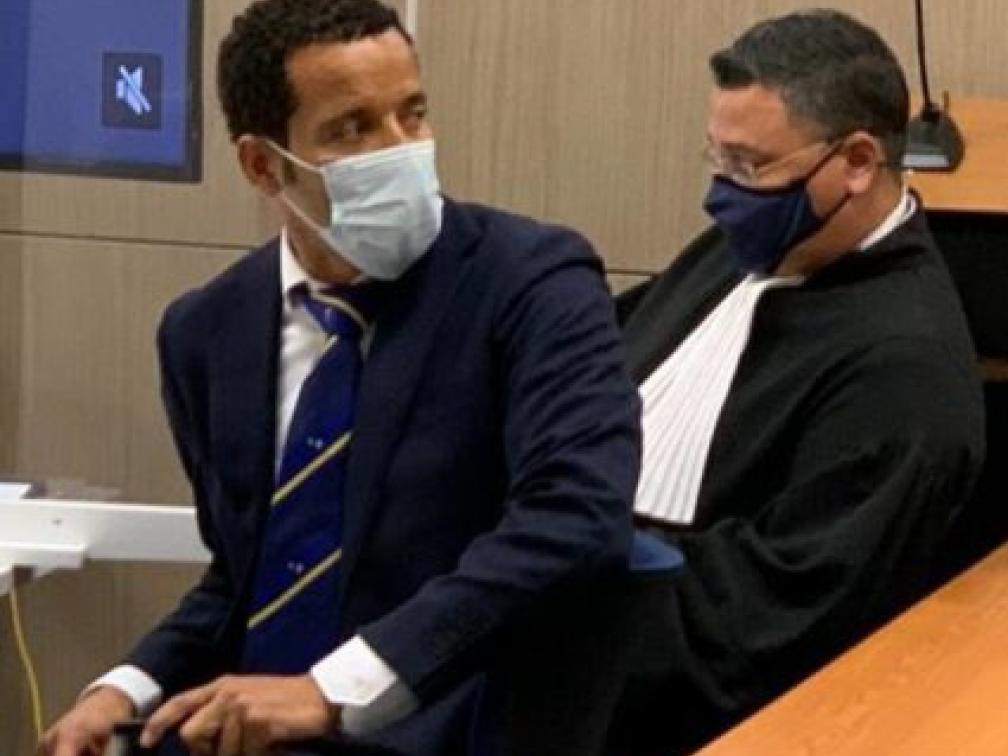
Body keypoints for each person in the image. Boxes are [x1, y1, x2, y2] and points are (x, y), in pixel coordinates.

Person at [39, 1, 640, 754]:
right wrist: (126, 686)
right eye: (352, 129)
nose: (401, 150)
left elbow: (575, 521)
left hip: (445, 722)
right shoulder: (205, 331)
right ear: (263, 165)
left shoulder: (531, 282)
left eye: (411, 114)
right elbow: (246, 578)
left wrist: (330, 691)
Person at [513, 10, 985, 756]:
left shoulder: (904, 374)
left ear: (857, 161)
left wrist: (526, 574)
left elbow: (765, 618)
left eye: (748, 167)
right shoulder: (757, 241)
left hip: (643, 696)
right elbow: (596, 355)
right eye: (719, 158)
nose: (720, 195)